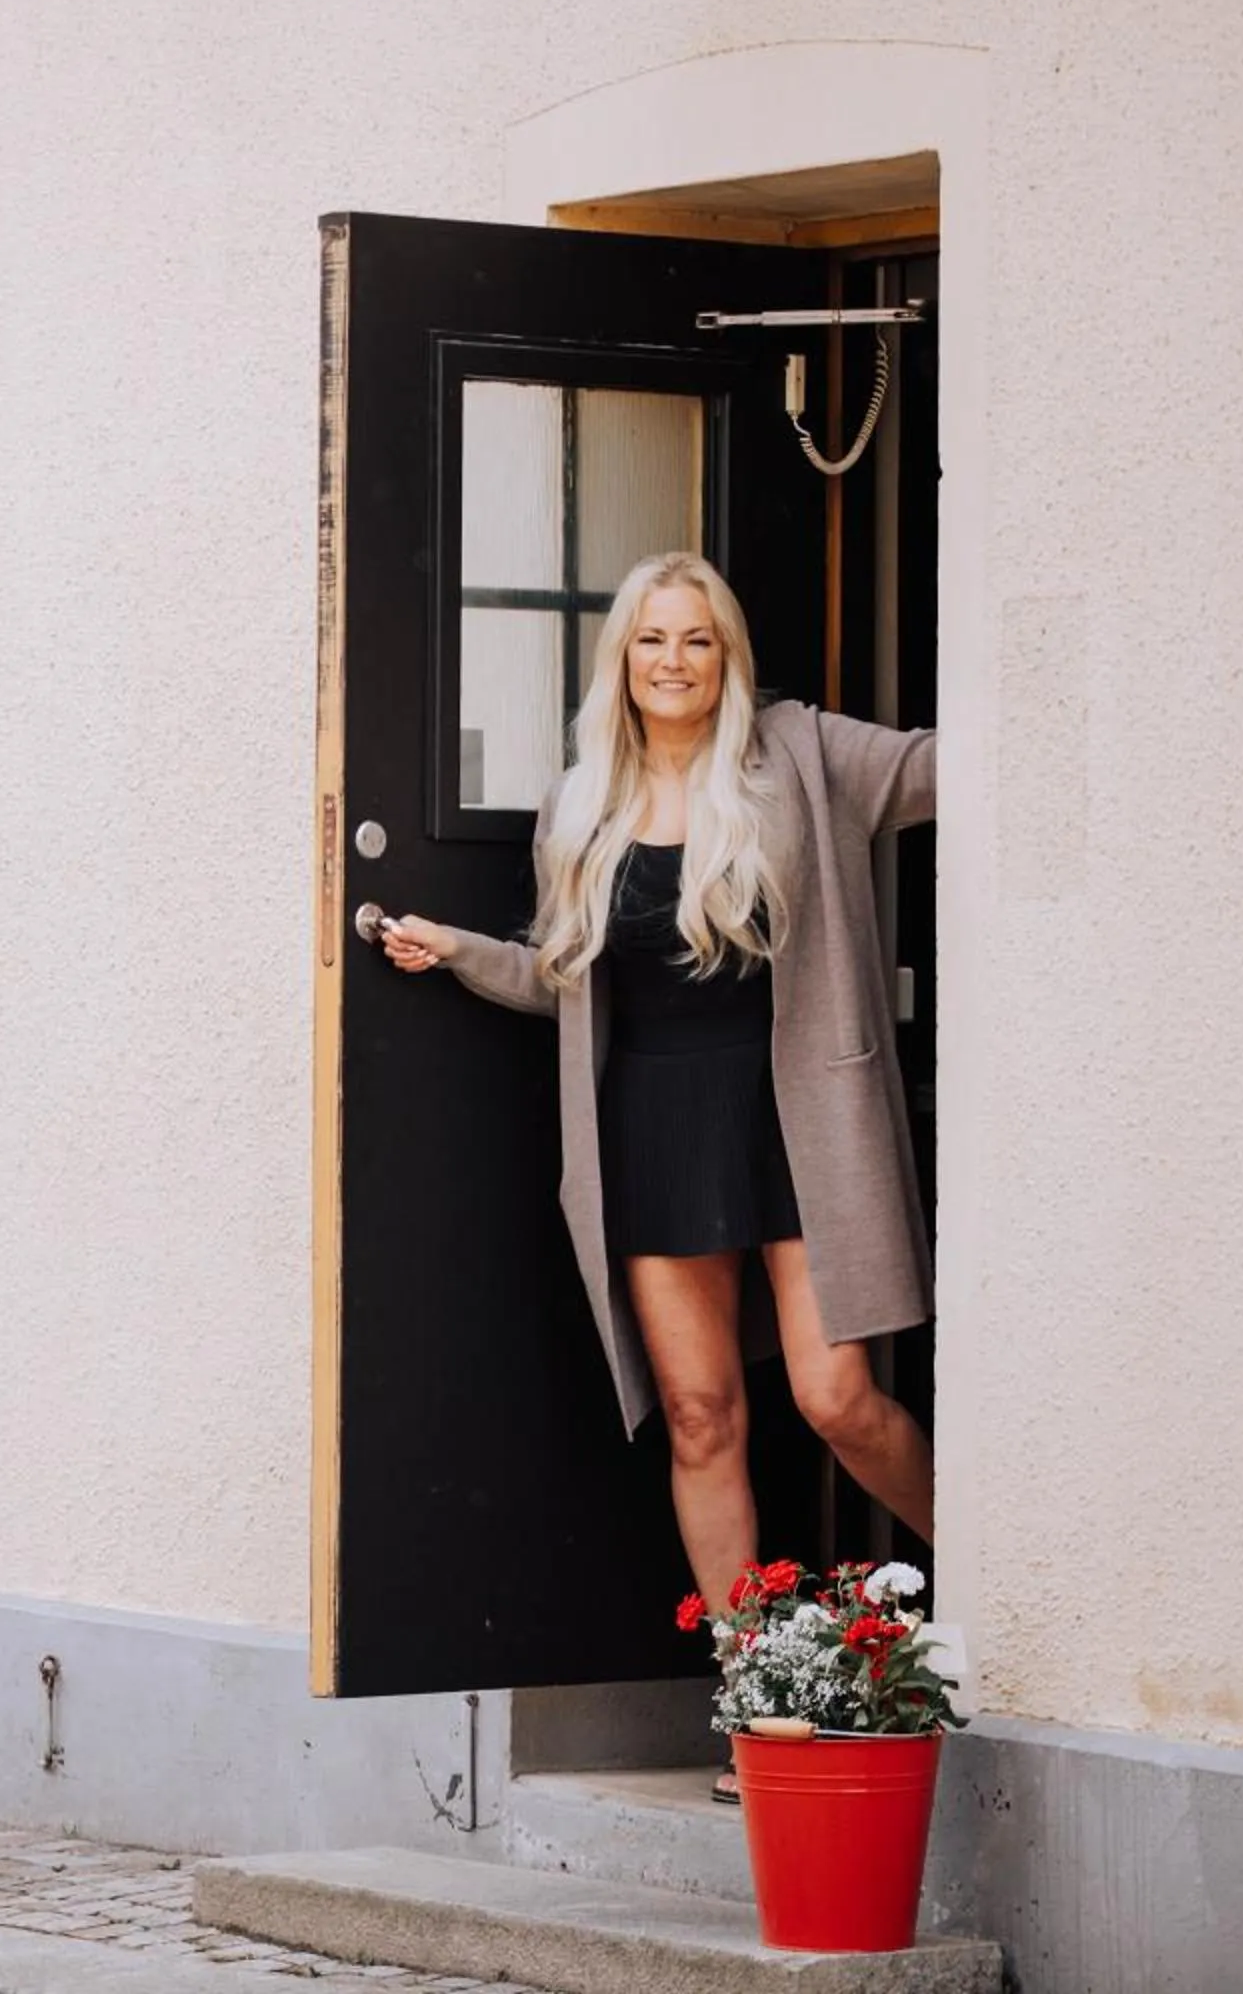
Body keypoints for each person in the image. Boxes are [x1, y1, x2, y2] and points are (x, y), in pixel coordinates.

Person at [381, 550, 936, 1801]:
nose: (675, 661)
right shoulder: (582, 804)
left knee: (838, 1398)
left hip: (797, 1123)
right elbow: (558, 977)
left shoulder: (798, 756)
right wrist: (461, 949)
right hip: (652, 1130)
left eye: (697, 640)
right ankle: (754, 1705)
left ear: (727, 656)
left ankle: (1008, 1599)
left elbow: (946, 764)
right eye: (651, 641)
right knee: (700, 1417)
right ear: (621, 662)